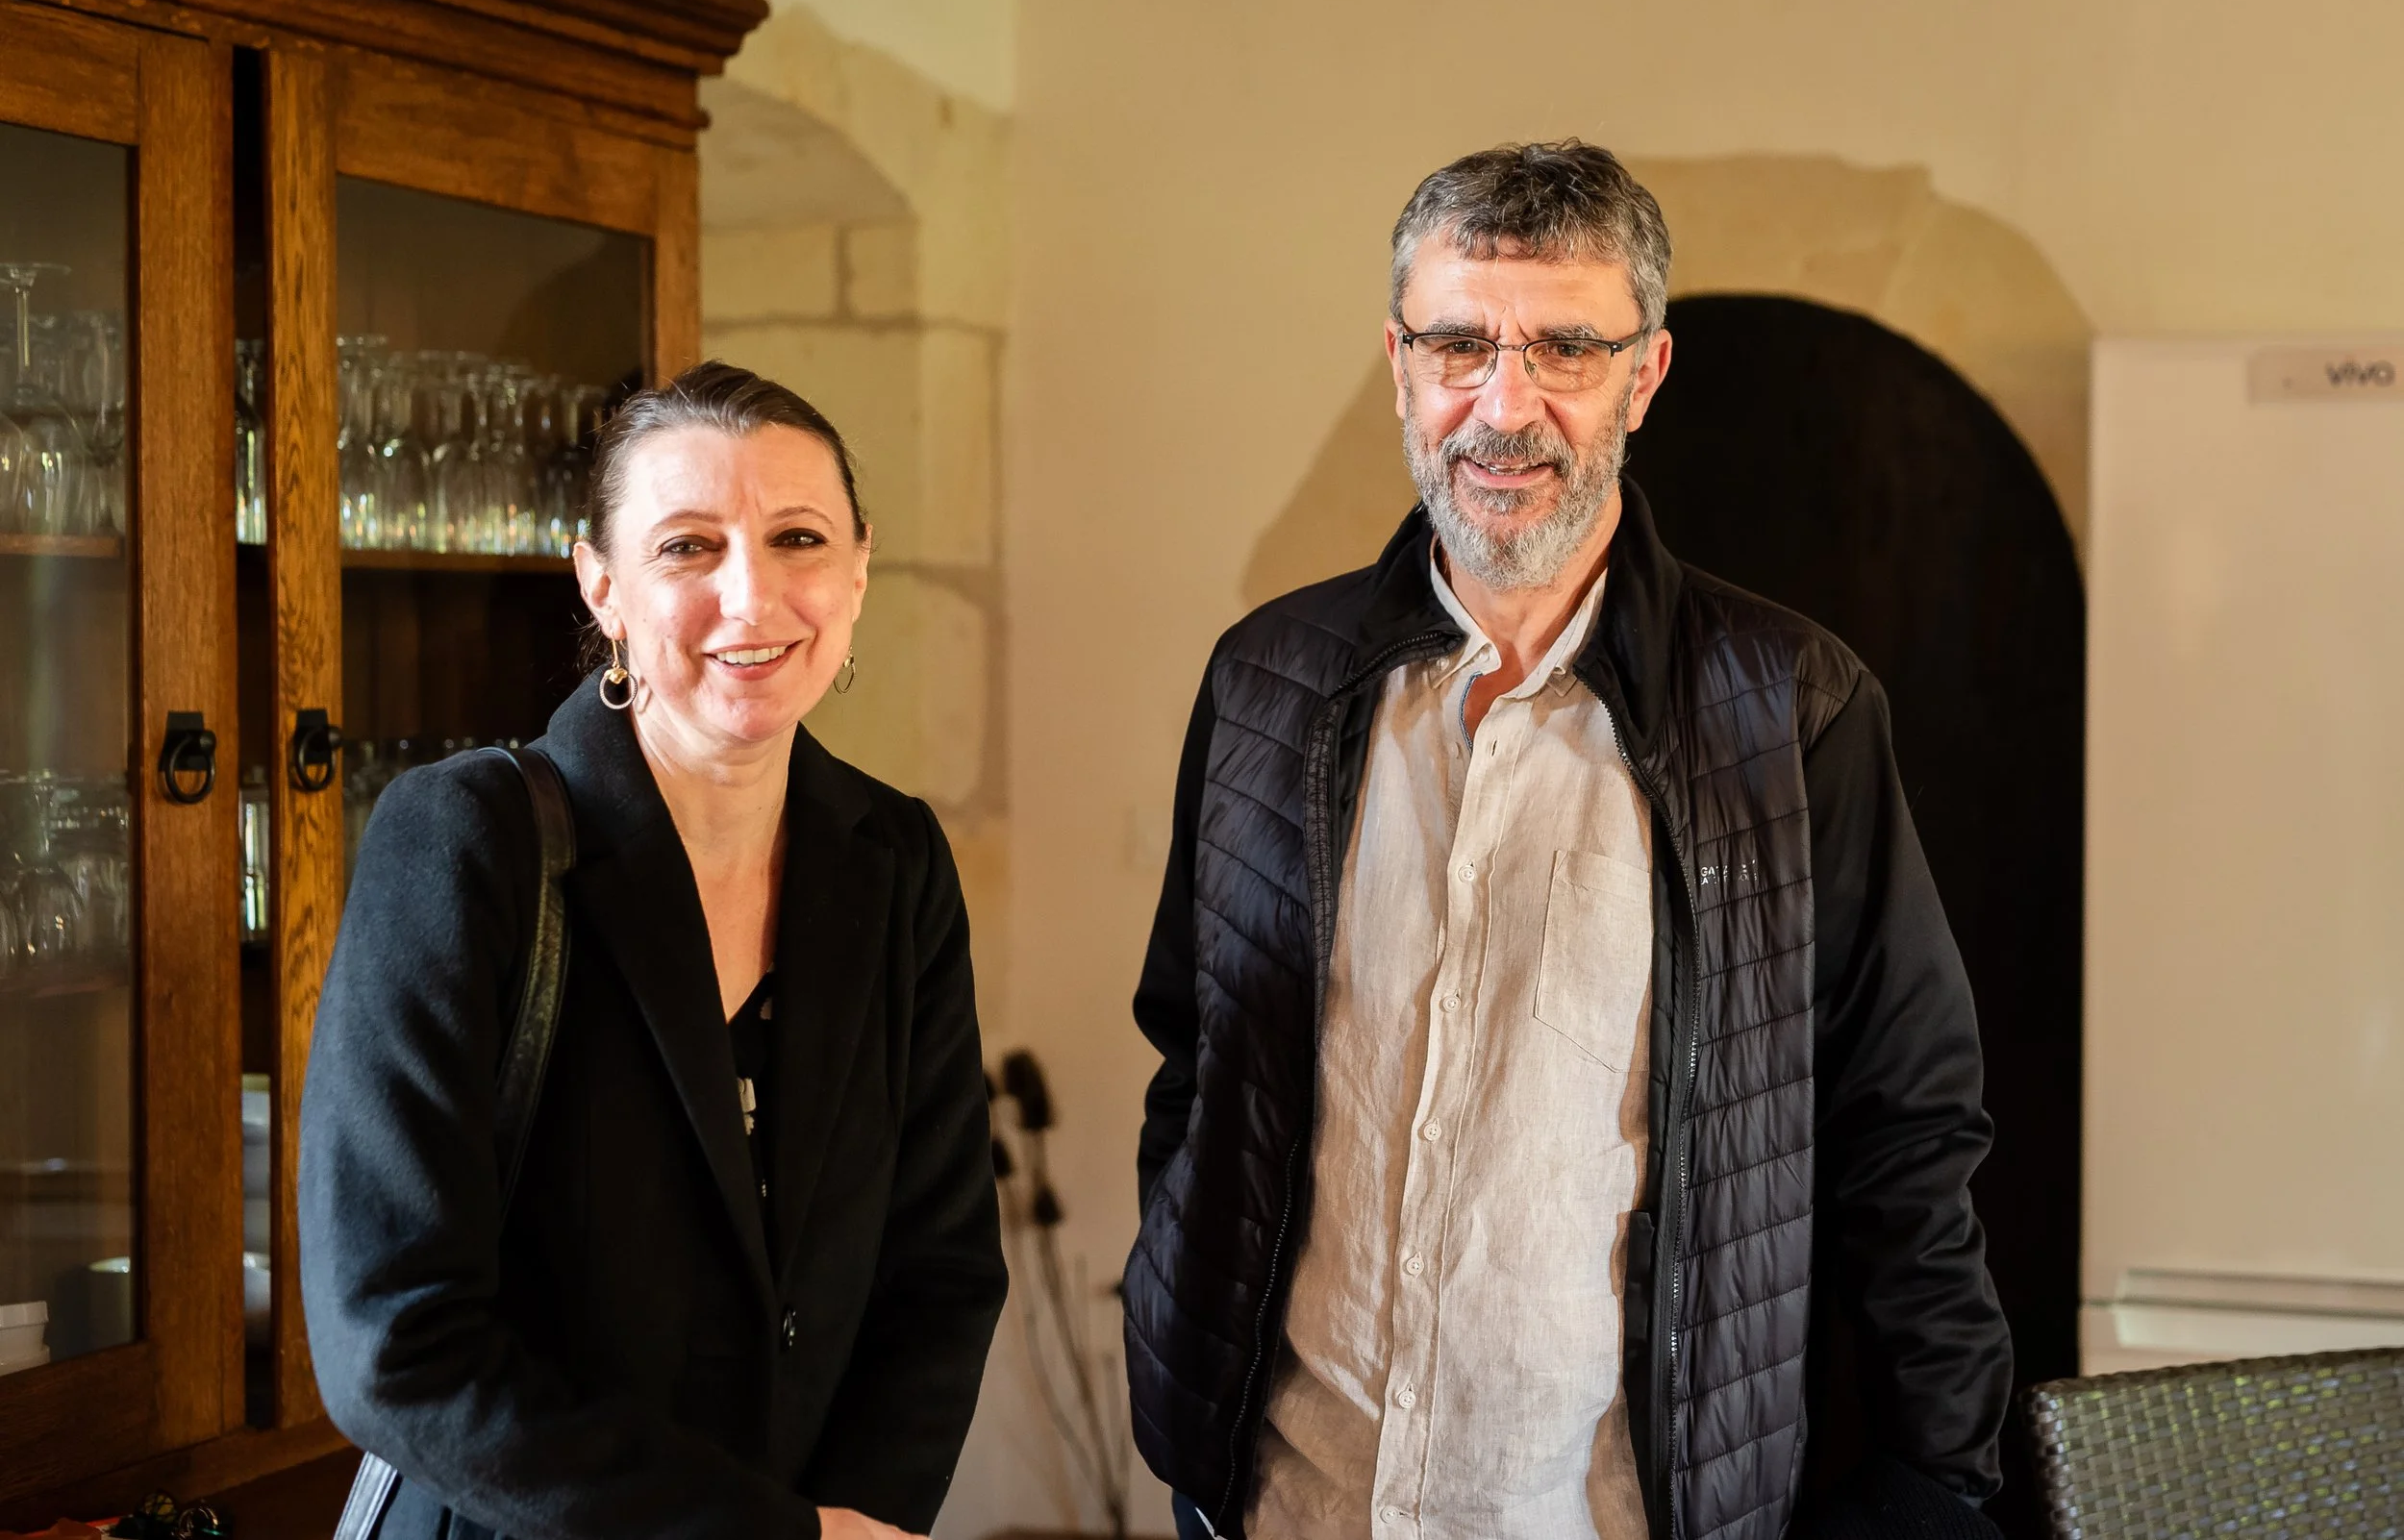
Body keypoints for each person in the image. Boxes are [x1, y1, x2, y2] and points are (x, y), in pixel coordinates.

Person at [1124, 143, 2013, 1540]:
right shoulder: (1265, 678)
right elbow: (1197, 1050)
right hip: (1282, 1498)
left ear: (1646, 374)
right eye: (1461, 343)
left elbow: (1903, 1131)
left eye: (1565, 349)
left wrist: (1940, 1483)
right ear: (1400, 361)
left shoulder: (1791, 709)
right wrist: (1184, 1346)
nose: (1504, 407)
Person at [301, 361, 1006, 1540]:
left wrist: (864, 1521)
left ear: (860, 567)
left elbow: (939, 1268)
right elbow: (395, 1341)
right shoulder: (469, 843)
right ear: (601, 585)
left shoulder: (893, 854)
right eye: (687, 547)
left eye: (798, 537)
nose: (752, 595)